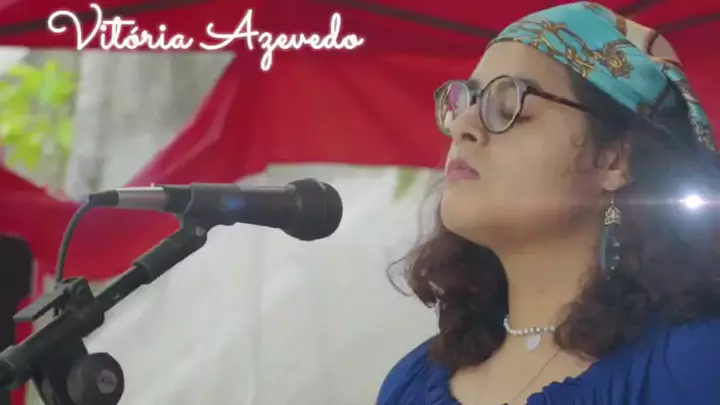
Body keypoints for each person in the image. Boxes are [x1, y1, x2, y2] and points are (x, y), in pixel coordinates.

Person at [377, 2, 720, 405]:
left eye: (508, 107)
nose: (463, 124)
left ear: (614, 159)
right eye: (464, 102)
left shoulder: (694, 369)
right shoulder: (409, 385)